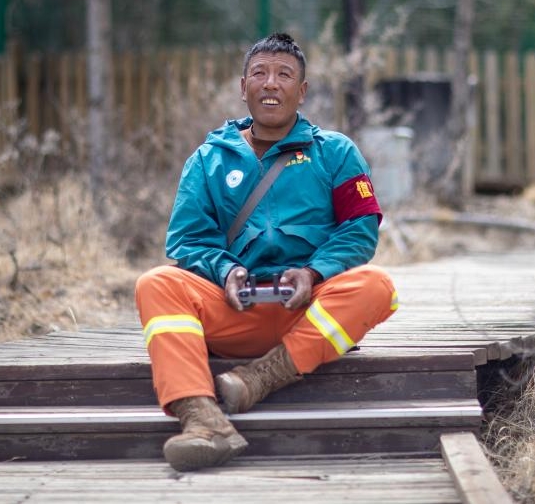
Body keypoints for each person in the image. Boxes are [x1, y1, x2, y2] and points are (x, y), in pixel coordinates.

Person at [135, 32, 398, 472]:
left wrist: (312, 273)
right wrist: (227, 272)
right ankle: (202, 420)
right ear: (244, 87)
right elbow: (187, 241)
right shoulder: (207, 160)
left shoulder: (336, 152)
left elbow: (360, 230)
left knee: (377, 286)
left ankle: (258, 379)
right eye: (259, 73)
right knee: (156, 284)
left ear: (303, 91)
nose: (271, 83)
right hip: (234, 312)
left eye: (284, 75)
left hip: (309, 314)